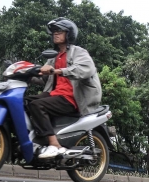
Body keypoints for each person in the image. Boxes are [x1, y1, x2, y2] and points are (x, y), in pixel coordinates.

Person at [29, 17, 102, 158]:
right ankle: (36, 139)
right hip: (54, 95)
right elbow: (44, 78)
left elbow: (85, 69)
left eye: (59, 31)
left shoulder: (79, 52)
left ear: (69, 34)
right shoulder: (54, 57)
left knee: (37, 105)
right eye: (54, 31)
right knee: (24, 102)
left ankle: (54, 144)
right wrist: (23, 74)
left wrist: (58, 71)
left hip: (71, 99)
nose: (55, 33)